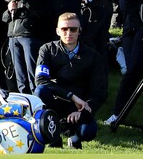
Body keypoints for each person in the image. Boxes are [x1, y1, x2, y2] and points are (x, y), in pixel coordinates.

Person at [35, 13, 107, 149]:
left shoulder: (93, 56)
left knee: (88, 132)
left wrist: (83, 111)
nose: (69, 33)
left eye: (73, 29)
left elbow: (100, 91)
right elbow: (41, 80)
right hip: (55, 103)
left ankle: (75, 137)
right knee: (40, 91)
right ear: (57, 31)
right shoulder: (47, 50)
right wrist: (72, 97)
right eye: (64, 29)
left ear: (79, 31)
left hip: (80, 107)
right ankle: (52, 135)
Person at [4, 0, 63, 94]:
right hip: (14, 34)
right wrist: (10, 9)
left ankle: (38, 107)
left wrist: (25, 2)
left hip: (34, 36)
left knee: (33, 76)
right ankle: (24, 107)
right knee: (19, 78)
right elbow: (5, 17)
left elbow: (51, 13)